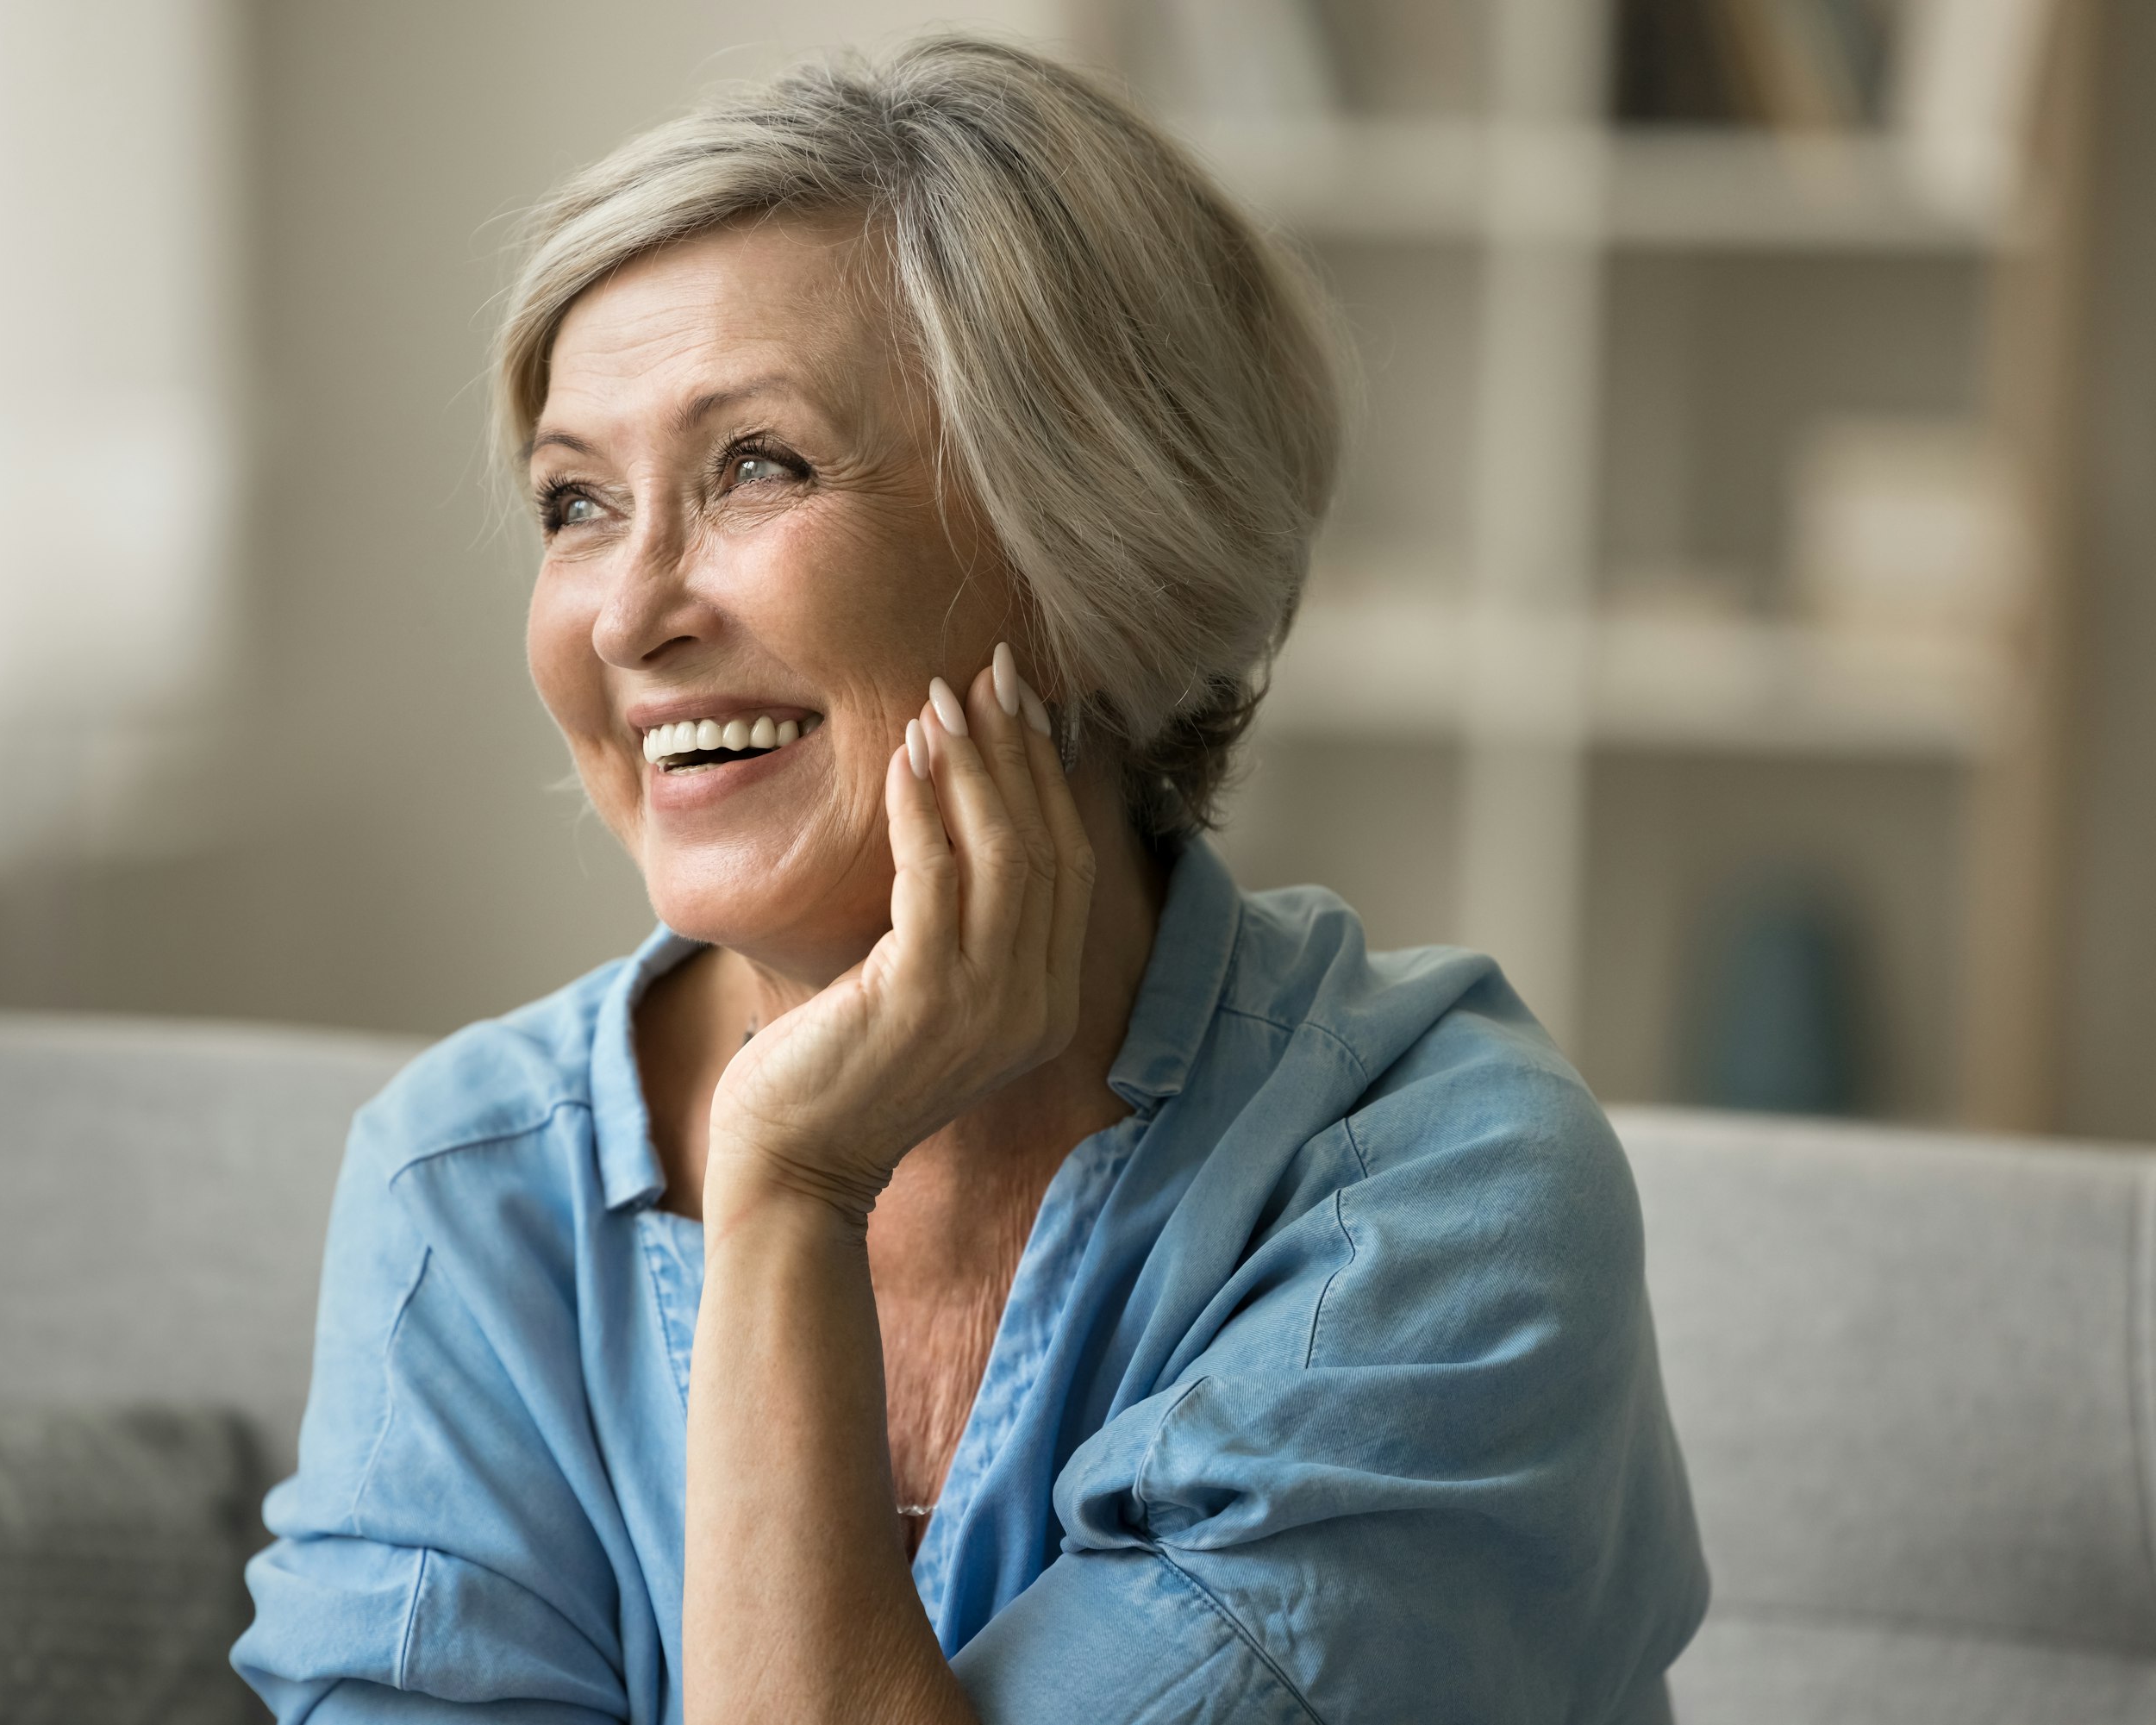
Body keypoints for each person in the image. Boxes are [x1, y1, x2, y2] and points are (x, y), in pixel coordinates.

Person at [233, 34, 1706, 1724]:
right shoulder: (472, 1181)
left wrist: (786, 1190)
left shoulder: (1442, 1207)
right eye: (576, 500)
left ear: (1090, 554)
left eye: (756, 466)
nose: (628, 616)